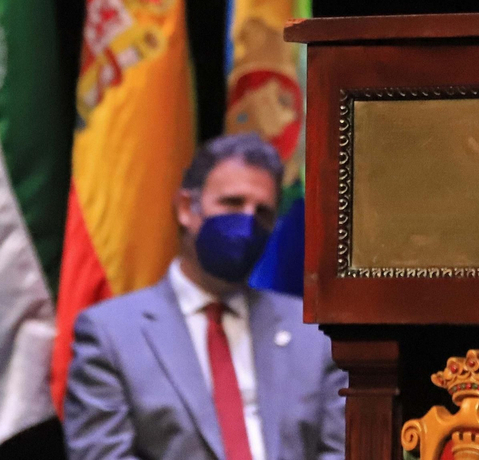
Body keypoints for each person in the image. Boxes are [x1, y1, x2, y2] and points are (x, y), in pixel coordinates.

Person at [64, 132, 346, 460]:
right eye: (232, 203)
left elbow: (341, 451)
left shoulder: (313, 335)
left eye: (263, 213)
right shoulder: (111, 334)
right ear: (187, 208)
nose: (248, 222)